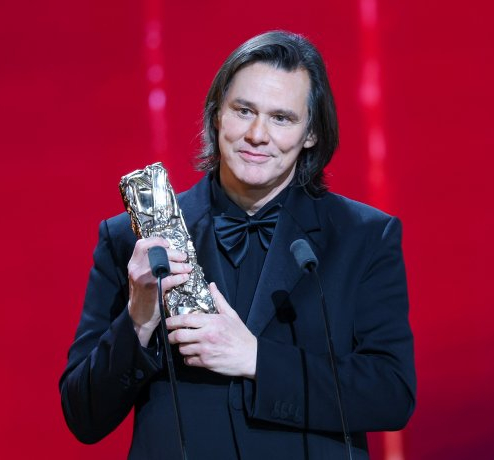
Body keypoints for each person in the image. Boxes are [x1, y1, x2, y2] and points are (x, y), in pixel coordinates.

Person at [59, 30, 416, 460]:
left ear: (311, 134)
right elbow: (83, 415)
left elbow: (391, 393)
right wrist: (138, 320)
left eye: (281, 118)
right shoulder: (134, 239)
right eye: (243, 111)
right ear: (216, 115)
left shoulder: (362, 236)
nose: (257, 135)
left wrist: (257, 359)